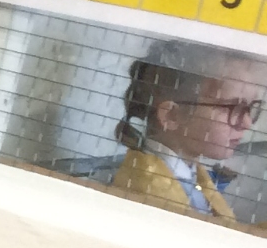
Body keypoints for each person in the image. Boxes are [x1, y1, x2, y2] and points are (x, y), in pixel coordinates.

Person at [108, 38, 265, 220]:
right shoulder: (148, 194)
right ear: (172, 116)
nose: (247, 122)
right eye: (232, 107)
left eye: (251, 108)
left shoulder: (188, 172)